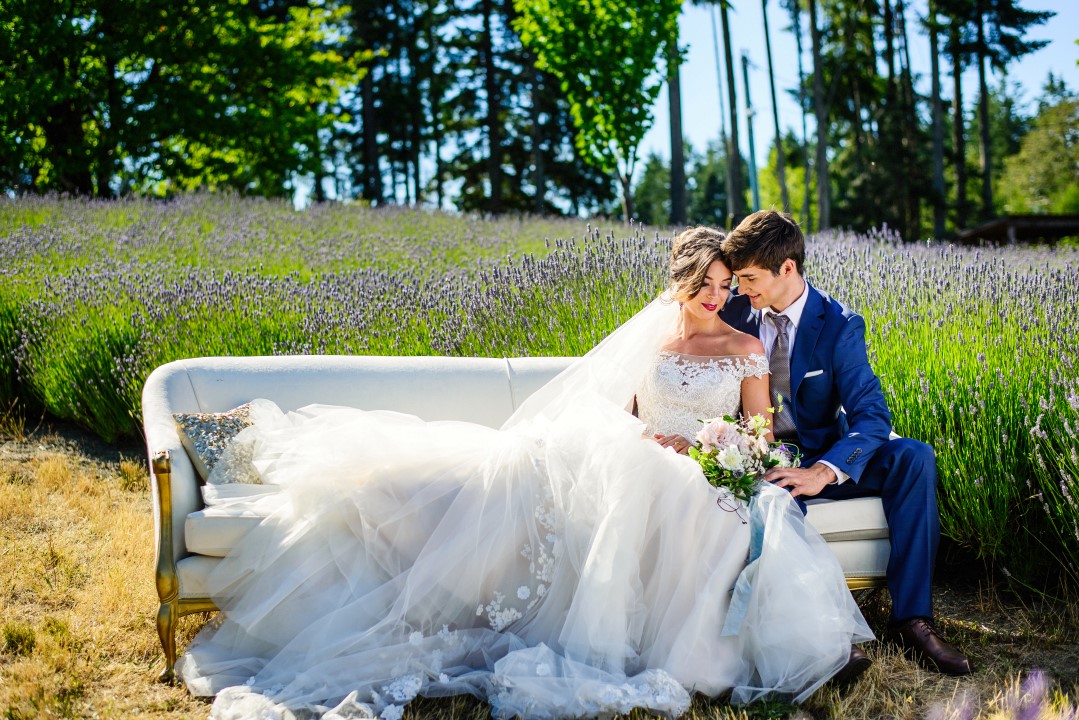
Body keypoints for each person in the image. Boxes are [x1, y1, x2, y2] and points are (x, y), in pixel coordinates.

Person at [176, 227, 873, 720]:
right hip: (640, 456)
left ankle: (728, 660)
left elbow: (756, 429)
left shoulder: (747, 345)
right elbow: (615, 412)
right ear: (679, 285)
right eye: (704, 285)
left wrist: (728, 448)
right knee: (498, 483)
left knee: (724, 514)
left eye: (726, 285)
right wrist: (648, 436)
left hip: (705, 469)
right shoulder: (650, 341)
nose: (716, 295)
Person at [720, 210, 973, 676]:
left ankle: (912, 620)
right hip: (758, 456)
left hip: (823, 454)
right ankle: (825, 635)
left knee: (914, 457)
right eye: (736, 279)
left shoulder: (839, 324)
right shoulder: (732, 311)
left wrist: (825, 471)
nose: (741, 288)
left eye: (750, 278)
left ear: (787, 270)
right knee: (776, 495)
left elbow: (872, 416)